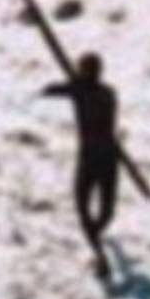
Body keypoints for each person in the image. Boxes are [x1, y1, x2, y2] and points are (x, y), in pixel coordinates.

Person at [42, 52, 120, 281]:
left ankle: (97, 248)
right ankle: (97, 235)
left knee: (82, 204)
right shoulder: (109, 93)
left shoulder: (79, 91)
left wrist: (74, 83)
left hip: (90, 157)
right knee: (106, 208)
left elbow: (50, 90)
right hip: (111, 155)